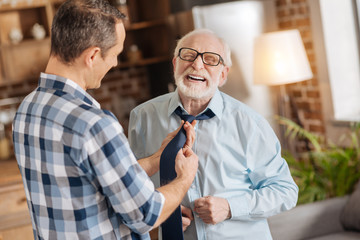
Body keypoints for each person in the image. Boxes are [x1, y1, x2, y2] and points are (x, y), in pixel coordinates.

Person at [12, 1, 199, 239]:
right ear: (92, 56)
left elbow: (93, 181)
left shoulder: (27, 109)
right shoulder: (94, 124)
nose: (115, 63)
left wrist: (155, 160)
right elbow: (146, 214)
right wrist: (185, 178)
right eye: (115, 54)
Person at [128, 28, 299, 239]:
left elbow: (285, 191)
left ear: (223, 74)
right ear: (175, 64)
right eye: (188, 55)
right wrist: (161, 213)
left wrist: (229, 207)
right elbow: (133, 185)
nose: (197, 65)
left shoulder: (249, 123)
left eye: (210, 59)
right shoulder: (142, 117)